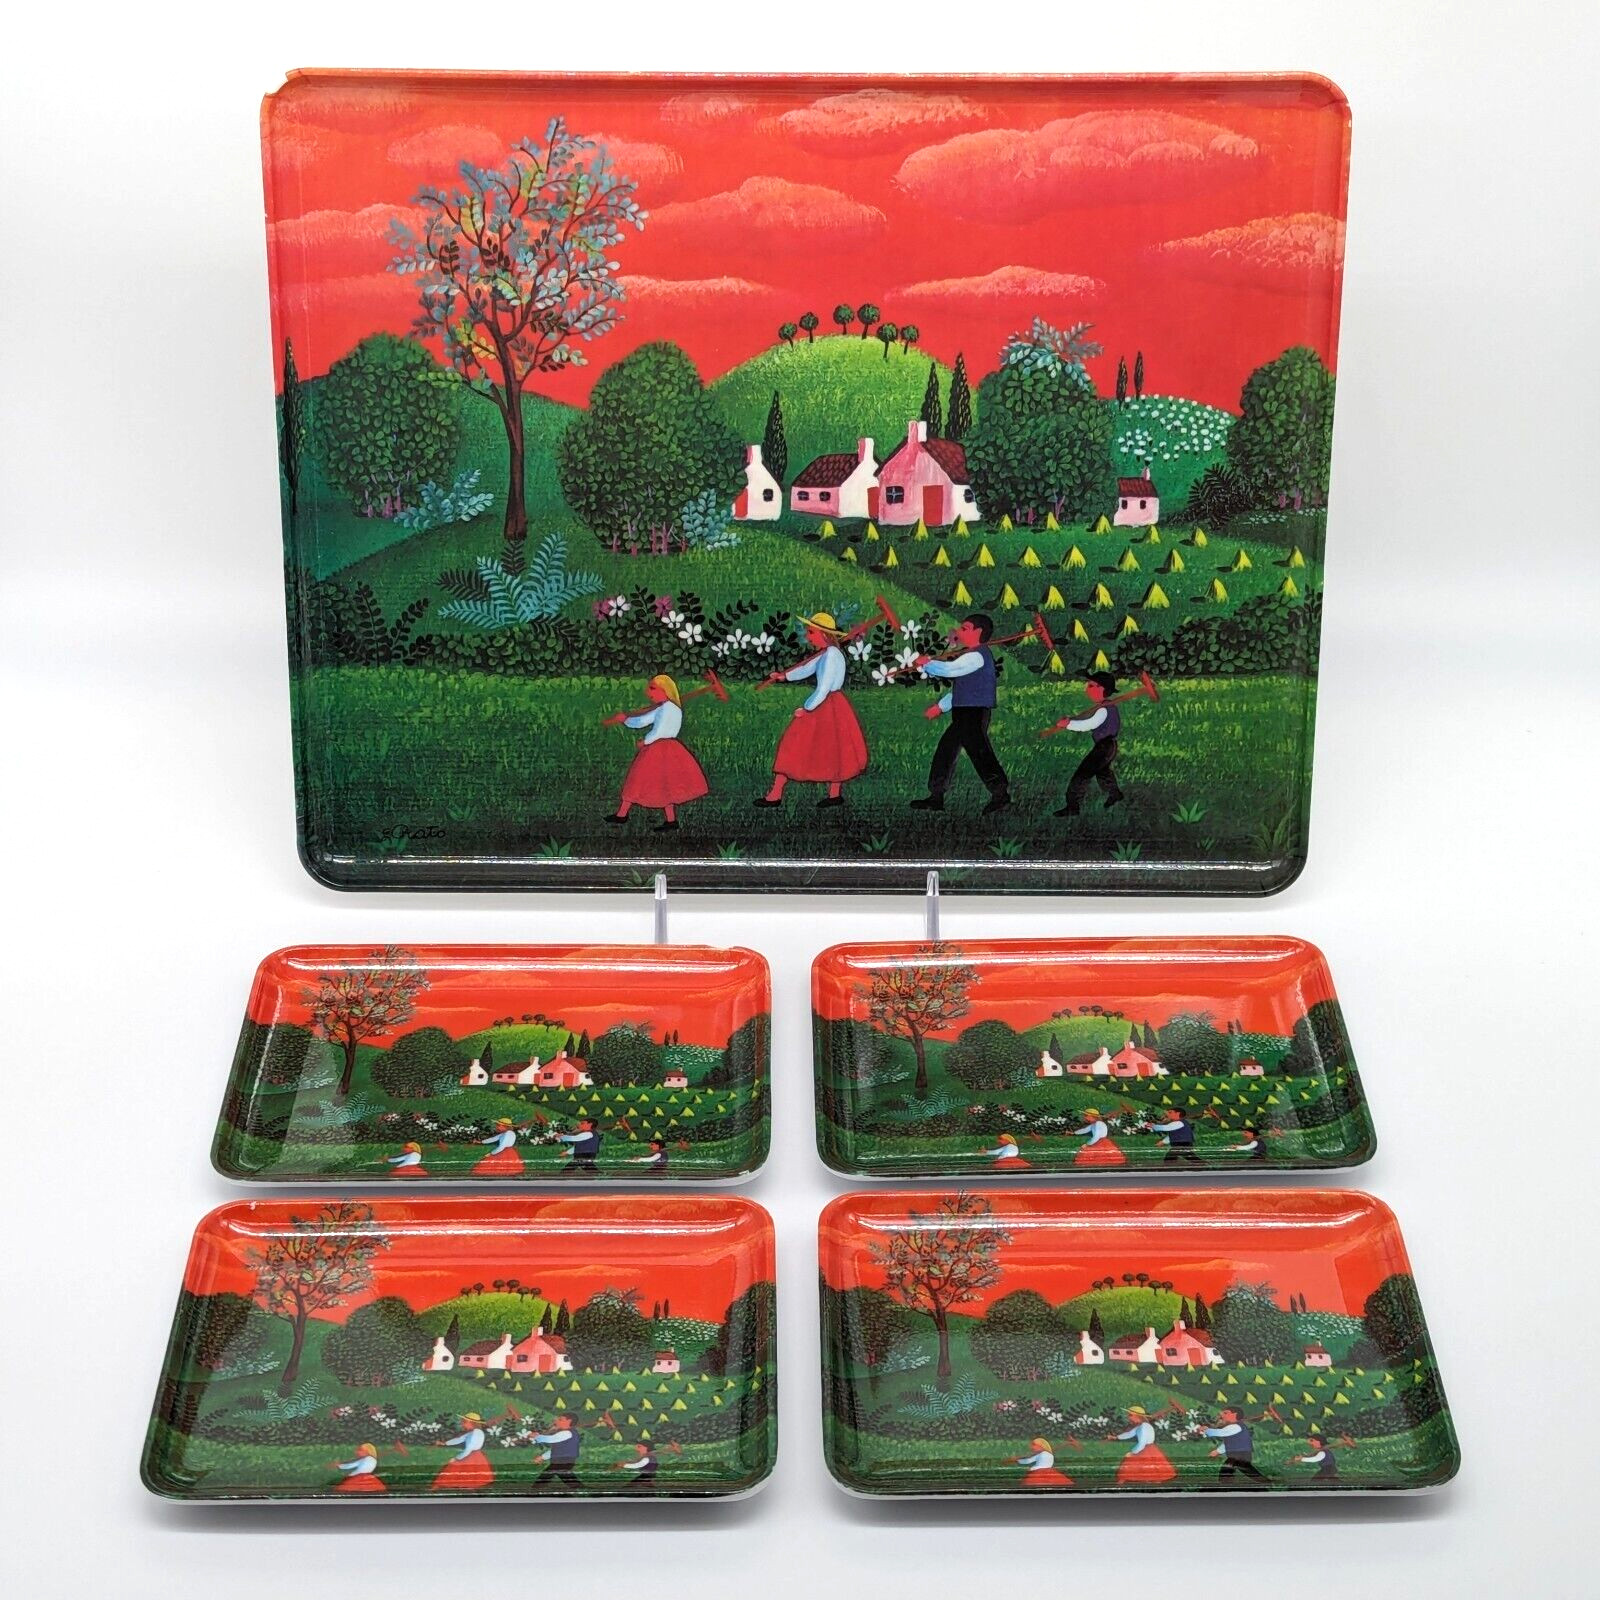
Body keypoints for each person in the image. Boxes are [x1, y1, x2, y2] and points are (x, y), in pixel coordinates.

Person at [755, 612, 868, 809]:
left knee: (797, 743)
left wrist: (807, 709)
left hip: (826, 705)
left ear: (824, 634)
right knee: (833, 747)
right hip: (831, 704)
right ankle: (832, 794)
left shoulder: (831, 656)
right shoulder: (827, 653)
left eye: (811, 632)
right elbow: (807, 668)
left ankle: (776, 794)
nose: (808, 637)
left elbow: (823, 688)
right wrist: (784, 676)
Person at [908, 613, 1010, 815]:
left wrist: (927, 663)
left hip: (974, 713)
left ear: (978, 632)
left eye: (965, 629)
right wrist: (941, 706)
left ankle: (1000, 794)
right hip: (963, 712)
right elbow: (962, 688)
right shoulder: (970, 655)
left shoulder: (977, 656)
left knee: (980, 753)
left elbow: (950, 670)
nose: (960, 632)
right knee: (946, 750)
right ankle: (936, 796)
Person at [603, 674, 709, 833]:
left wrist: (645, 741)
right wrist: (625, 720)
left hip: (659, 748)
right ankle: (666, 820)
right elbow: (642, 721)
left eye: (653, 688)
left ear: (665, 690)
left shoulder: (667, 709)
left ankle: (623, 814)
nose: (648, 692)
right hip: (668, 748)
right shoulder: (666, 708)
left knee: (640, 779)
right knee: (665, 784)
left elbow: (659, 731)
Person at [1049, 672, 1125, 819]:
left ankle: (1073, 806)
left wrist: (1068, 724)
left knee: (1082, 775)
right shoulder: (1106, 706)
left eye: (1091, 686)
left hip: (1104, 747)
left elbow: (1088, 725)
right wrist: (1070, 720)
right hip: (1108, 746)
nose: (1087, 689)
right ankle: (1114, 794)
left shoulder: (1104, 709)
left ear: (1102, 688)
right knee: (1102, 772)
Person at [1203, 1407, 1269, 1486]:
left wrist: (1207, 1431)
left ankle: (1224, 1483)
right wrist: (1218, 1451)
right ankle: (1225, 1483)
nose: (1222, 1415)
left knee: (1232, 1468)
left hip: (1241, 1453)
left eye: (1225, 1413)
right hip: (1237, 1453)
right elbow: (1229, 1442)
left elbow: (1221, 1433)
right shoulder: (1233, 1426)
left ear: (1234, 1415)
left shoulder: (1235, 1426)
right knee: (1241, 1468)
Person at [432, 1412, 495, 1492]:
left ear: (472, 1423)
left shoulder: (475, 1433)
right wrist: (445, 1443)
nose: (462, 1424)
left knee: (455, 1468)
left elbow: (469, 1448)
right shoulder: (473, 1432)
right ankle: (468, 1487)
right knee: (470, 1471)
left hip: (471, 1455)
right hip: (476, 1455)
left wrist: (457, 1458)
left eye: (464, 1422)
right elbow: (459, 1439)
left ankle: (439, 1484)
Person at [1113, 1406, 1176, 1484]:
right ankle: (1151, 1479)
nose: (1128, 1417)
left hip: (1146, 1448)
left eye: (1130, 1415)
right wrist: (1117, 1437)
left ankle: (1124, 1479)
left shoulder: (1144, 1427)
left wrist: (1133, 1452)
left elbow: (1142, 1442)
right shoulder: (1140, 1426)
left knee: (1136, 1463)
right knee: (1149, 1465)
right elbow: (1129, 1434)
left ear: (1138, 1416)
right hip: (1148, 1448)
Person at [530, 1414, 583, 1491]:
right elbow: (556, 1449)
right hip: (561, 1459)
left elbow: (551, 1439)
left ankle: (537, 1487)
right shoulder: (564, 1433)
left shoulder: (567, 1433)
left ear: (569, 1421)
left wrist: (537, 1437)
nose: (557, 1421)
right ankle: (578, 1487)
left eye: (560, 1420)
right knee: (561, 1473)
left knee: (553, 1472)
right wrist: (542, 1457)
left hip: (564, 1459)